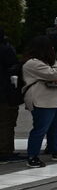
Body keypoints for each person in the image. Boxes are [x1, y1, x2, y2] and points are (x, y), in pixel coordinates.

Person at [21, 36, 57, 168]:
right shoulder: (32, 63)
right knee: (40, 128)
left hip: (55, 98)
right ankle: (32, 156)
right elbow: (56, 75)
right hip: (40, 99)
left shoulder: (49, 62)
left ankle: (56, 150)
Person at [0, 28, 21, 162]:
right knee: (6, 122)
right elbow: (13, 65)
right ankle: (5, 151)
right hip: (4, 92)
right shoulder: (5, 49)